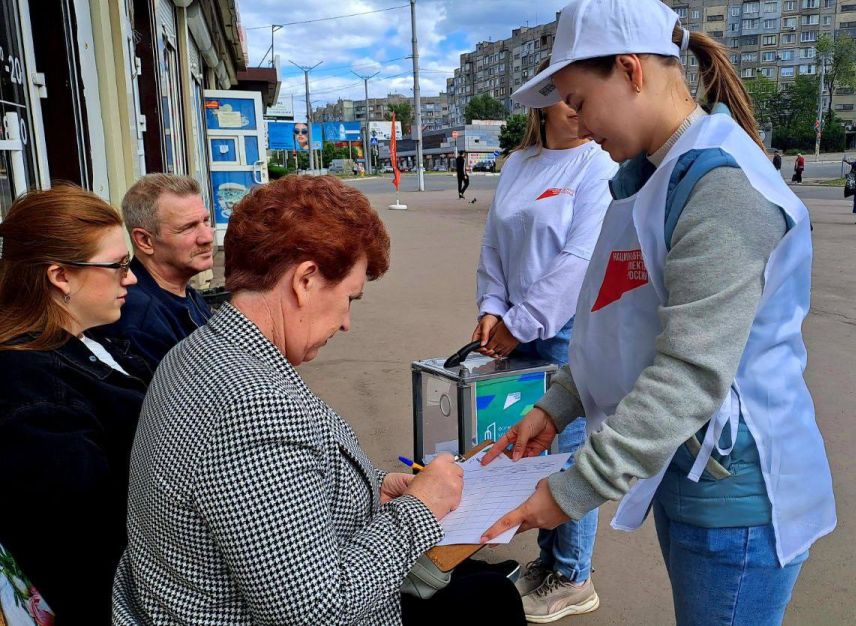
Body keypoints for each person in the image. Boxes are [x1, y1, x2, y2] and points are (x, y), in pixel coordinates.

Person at [479, 2, 837, 625]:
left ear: (630, 70)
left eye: (579, 101)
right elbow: (619, 324)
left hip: (737, 493)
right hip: (683, 462)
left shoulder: (720, 186)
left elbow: (691, 369)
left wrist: (569, 493)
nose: (578, 124)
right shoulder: (649, 177)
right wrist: (554, 405)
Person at [112, 175, 525, 626]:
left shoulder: (203, 350)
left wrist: (375, 486)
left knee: (485, 594)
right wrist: (417, 511)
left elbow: (278, 484)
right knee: (491, 602)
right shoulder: (255, 407)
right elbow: (317, 609)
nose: (346, 322)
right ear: (306, 279)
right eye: (349, 298)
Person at [473, 58, 619, 622]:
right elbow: (492, 246)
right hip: (514, 328)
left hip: (564, 332)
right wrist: (491, 310)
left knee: (569, 455)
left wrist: (520, 322)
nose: (577, 108)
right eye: (566, 96)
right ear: (542, 103)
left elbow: (579, 261)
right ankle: (547, 558)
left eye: (581, 96)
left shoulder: (596, 165)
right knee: (530, 454)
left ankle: (573, 575)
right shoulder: (519, 164)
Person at [0, 185, 150, 624]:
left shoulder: (87, 341)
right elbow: (85, 550)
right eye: (118, 266)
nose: (131, 278)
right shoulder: (30, 389)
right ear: (59, 276)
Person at [98, 174, 214, 370]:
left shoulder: (182, 292)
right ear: (144, 241)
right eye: (188, 227)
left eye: (206, 220)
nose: (207, 237)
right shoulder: (139, 319)